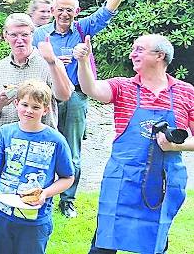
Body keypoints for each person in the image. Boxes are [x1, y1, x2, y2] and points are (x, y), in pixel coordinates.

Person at [31, 0, 137, 218]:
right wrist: (55, 61)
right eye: (60, 9)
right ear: (53, 11)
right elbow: (32, 61)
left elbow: (107, 12)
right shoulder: (40, 35)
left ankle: (68, 200)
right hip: (48, 98)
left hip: (77, 97)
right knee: (43, 145)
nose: (64, 14)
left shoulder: (83, 29)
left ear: (76, 12)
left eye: (70, 10)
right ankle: (40, 194)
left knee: (73, 149)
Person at [76, 33, 192, 254]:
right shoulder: (123, 87)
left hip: (163, 181)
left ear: (160, 55)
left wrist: (175, 146)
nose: (132, 54)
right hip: (122, 178)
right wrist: (83, 62)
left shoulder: (186, 92)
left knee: (154, 241)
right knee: (104, 244)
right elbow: (91, 89)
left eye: (139, 49)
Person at [0, 13, 73, 202]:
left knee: (35, 200)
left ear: (33, 34)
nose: (19, 40)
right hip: (3, 143)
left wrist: (53, 63)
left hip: (39, 143)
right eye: (14, 35)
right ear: (5, 36)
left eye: (25, 35)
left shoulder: (48, 63)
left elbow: (64, 96)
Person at [0, 80, 74, 254]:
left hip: (36, 218)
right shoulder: (4, 132)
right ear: (16, 104)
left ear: (46, 110)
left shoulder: (56, 140)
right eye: (25, 105)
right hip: (3, 214)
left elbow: (68, 178)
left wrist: (45, 193)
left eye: (36, 107)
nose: (29, 110)